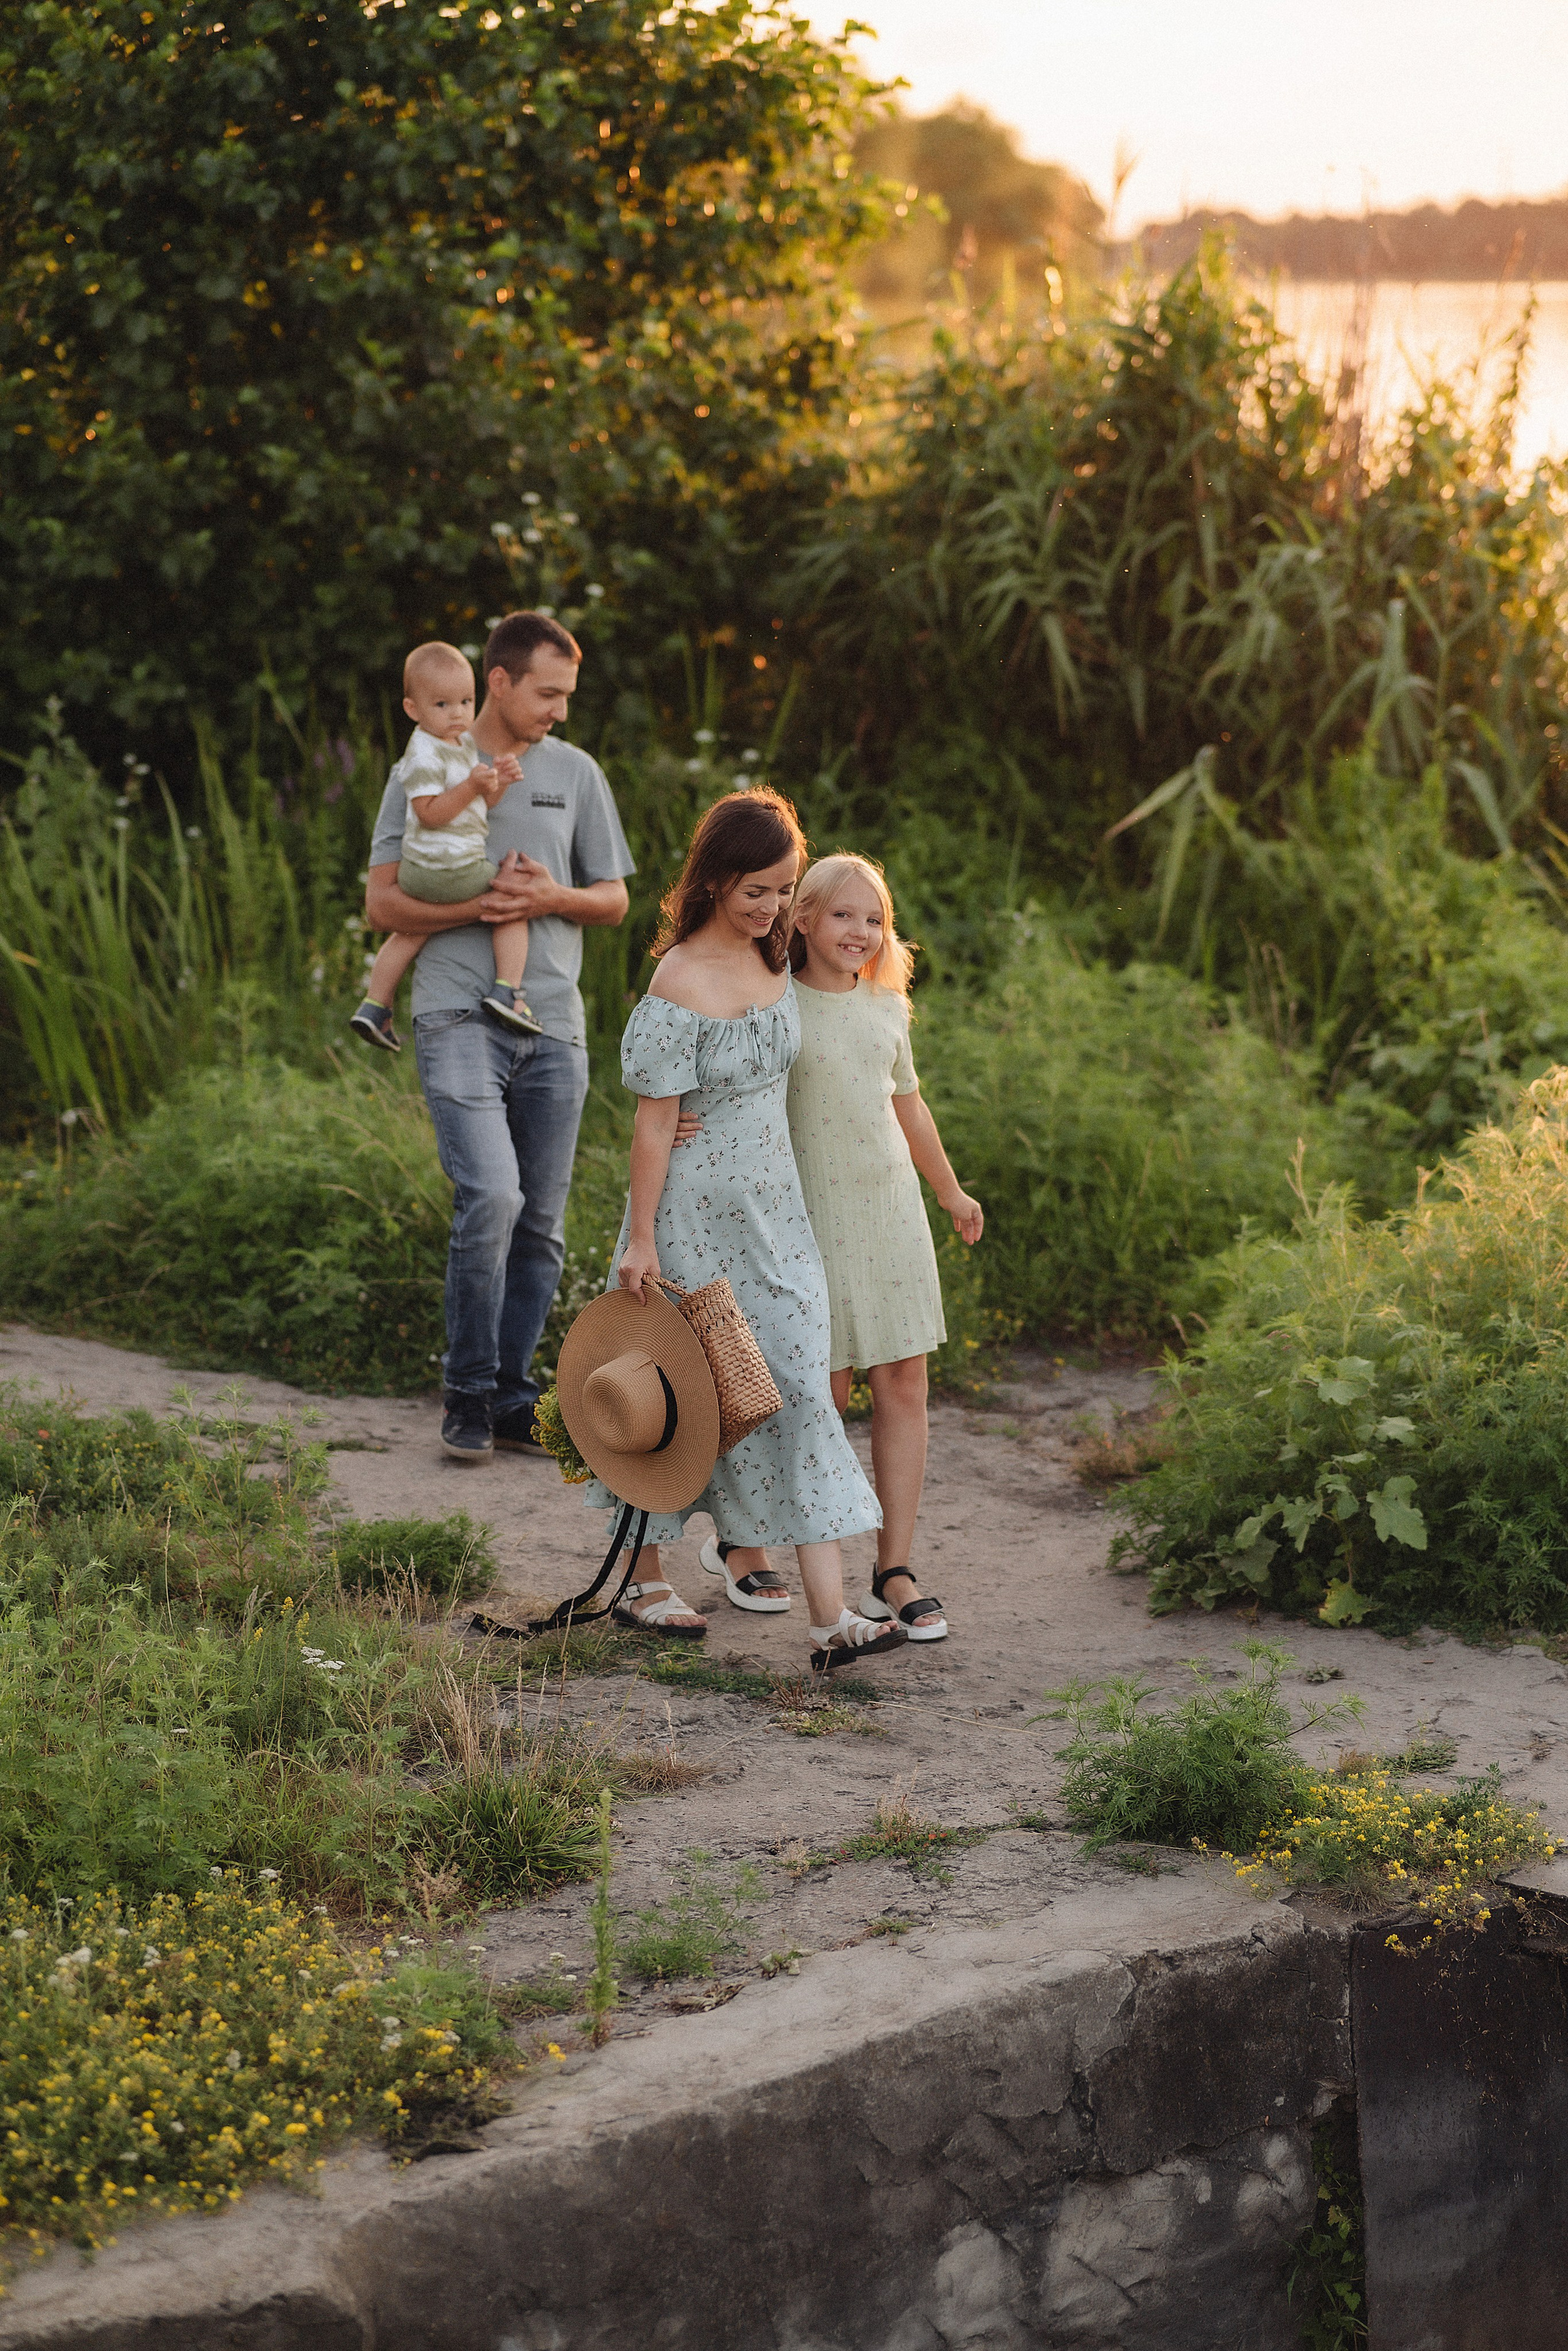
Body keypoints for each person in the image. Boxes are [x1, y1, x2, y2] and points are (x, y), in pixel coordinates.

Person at [586, 788, 907, 1672]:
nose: (771, 907)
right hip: (692, 1214)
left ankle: (831, 1617)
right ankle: (647, 1580)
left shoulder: (776, 957)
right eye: (756, 889)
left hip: (780, 1214)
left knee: (802, 1387)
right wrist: (640, 1238)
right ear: (717, 878)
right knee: (682, 1392)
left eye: (783, 889)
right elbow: (655, 1121)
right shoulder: (678, 976)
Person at [364, 611, 634, 1465]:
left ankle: (514, 1396)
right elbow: (383, 905)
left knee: (542, 1224)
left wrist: (551, 896)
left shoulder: (576, 773)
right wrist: (480, 908)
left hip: (555, 1024)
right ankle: (468, 1393)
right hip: (455, 1015)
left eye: (568, 695)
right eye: (548, 693)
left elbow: (616, 898)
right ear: (501, 680)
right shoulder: (427, 767)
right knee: (494, 1196)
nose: (559, 709)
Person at [706, 852, 981, 1640]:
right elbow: (725, 1089)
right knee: (817, 1397)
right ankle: (743, 1534)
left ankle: (892, 1570)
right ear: (801, 918)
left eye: (875, 919)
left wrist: (949, 1190)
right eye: (841, 915)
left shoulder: (886, 1009)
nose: (860, 931)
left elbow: (911, 1107)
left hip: (891, 1217)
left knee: (902, 1382)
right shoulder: (774, 1004)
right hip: (805, 1225)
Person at [350, 641, 541, 1053]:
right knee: (512, 899)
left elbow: (480, 804)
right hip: (443, 868)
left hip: (431, 874)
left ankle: (374, 1006)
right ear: (412, 709)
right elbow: (430, 814)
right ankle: (509, 991)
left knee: (410, 931)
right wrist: (473, 783)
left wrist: (498, 781)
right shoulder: (421, 754)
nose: (457, 713)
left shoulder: (461, 744)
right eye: (441, 704)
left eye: (466, 701)